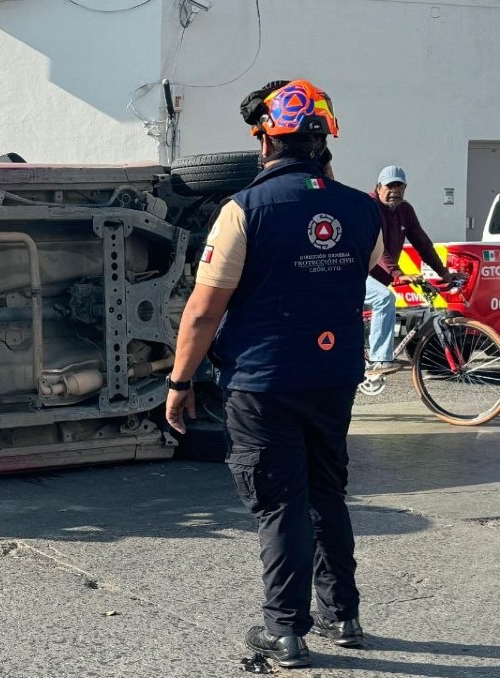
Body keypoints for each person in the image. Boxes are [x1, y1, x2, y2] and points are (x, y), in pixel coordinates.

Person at [165, 80, 383, 668]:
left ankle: (284, 631)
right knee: (327, 492)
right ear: (323, 142)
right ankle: (345, 616)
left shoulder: (244, 210)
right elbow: (354, 275)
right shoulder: (365, 210)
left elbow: (204, 309)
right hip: (334, 376)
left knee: (280, 501)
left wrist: (180, 382)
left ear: (266, 142)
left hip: (263, 382)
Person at [364, 166, 453, 374]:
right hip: (358, 272)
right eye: (390, 185)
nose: (395, 190)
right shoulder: (369, 206)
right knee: (384, 299)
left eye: (399, 186)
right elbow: (376, 245)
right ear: (378, 187)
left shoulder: (405, 210)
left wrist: (443, 272)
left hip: (379, 277)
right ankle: (379, 360)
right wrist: (398, 274)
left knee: (381, 305)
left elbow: (422, 243)